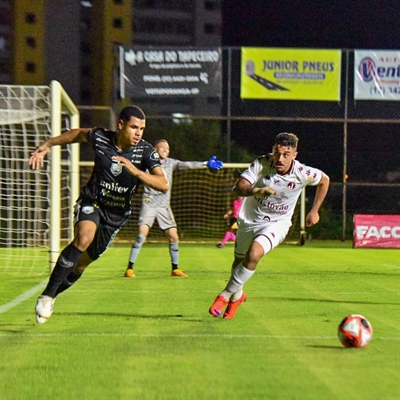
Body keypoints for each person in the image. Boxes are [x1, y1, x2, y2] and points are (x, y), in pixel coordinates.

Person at [29, 105, 169, 324]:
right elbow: (77, 134)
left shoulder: (145, 151)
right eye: (134, 127)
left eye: (141, 128)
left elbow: (163, 184)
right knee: (83, 238)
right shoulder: (101, 138)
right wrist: (47, 144)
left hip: (115, 216)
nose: (138, 133)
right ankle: (47, 295)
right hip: (92, 202)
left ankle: (53, 295)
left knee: (82, 265)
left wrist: (135, 171)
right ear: (121, 125)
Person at [209, 132, 330, 320]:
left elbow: (325, 180)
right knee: (239, 262)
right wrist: (258, 190)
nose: (280, 159)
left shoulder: (303, 173)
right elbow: (237, 188)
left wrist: (314, 210)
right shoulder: (262, 163)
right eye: (277, 153)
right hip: (249, 220)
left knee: (254, 253)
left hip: (277, 223)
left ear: (294, 155)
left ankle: (224, 296)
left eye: (286, 154)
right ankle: (238, 297)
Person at [124, 139, 223, 278]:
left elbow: (187, 165)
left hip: (164, 206)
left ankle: (175, 269)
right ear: (155, 149)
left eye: (168, 148)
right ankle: (129, 268)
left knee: (173, 236)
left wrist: (205, 164)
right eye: (162, 147)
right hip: (149, 203)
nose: (165, 149)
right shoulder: (147, 161)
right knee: (141, 236)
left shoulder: (171, 163)